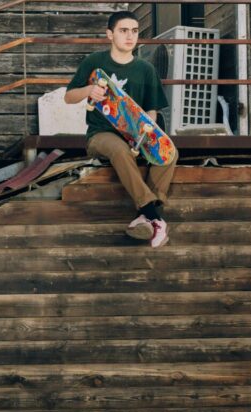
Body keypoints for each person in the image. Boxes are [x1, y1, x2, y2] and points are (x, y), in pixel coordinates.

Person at [64, 10, 178, 248]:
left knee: (169, 152)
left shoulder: (146, 69)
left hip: (136, 134)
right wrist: (88, 91)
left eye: (134, 31)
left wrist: (147, 135)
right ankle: (155, 217)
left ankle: (145, 216)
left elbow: (151, 111)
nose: (130, 36)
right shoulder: (95, 62)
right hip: (101, 135)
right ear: (110, 34)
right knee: (119, 149)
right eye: (123, 31)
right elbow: (69, 97)